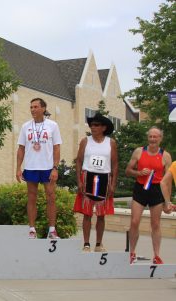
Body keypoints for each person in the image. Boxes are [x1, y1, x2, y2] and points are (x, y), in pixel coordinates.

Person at [16, 98, 62, 239]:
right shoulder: (25, 126)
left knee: (51, 197)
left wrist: (55, 168)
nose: (33, 109)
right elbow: (21, 148)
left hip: (47, 167)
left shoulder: (53, 126)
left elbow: (57, 148)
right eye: (31, 107)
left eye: (36, 107)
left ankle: (52, 230)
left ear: (43, 108)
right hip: (31, 166)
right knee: (31, 198)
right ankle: (32, 229)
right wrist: (18, 168)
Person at [126, 126, 172, 264]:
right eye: (150, 136)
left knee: (155, 224)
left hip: (156, 190)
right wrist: (138, 173)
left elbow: (168, 181)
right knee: (134, 221)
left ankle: (156, 255)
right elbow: (128, 170)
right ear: (148, 138)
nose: (152, 139)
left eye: (155, 137)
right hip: (140, 188)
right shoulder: (139, 151)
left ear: (160, 138)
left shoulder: (166, 156)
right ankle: (132, 253)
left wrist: (167, 202)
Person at [73, 113, 118, 252]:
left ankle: (99, 244)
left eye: (96, 125)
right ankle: (86, 244)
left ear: (103, 127)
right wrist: (79, 181)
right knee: (87, 214)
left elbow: (115, 164)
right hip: (88, 176)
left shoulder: (111, 143)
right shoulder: (85, 141)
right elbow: (79, 161)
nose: (93, 127)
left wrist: (113, 183)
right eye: (92, 125)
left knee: (101, 214)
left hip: (104, 177)